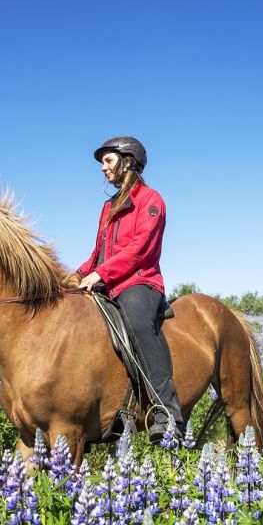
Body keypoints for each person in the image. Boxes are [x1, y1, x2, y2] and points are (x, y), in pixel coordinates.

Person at [76, 136, 183, 443]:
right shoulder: (108, 206)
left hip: (139, 281)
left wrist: (100, 273)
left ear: (129, 162)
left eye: (108, 161)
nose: (103, 168)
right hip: (108, 281)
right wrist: (78, 274)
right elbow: (98, 253)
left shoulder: (151, 200)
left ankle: (167, 412)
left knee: (136, 322)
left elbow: (140, 250)